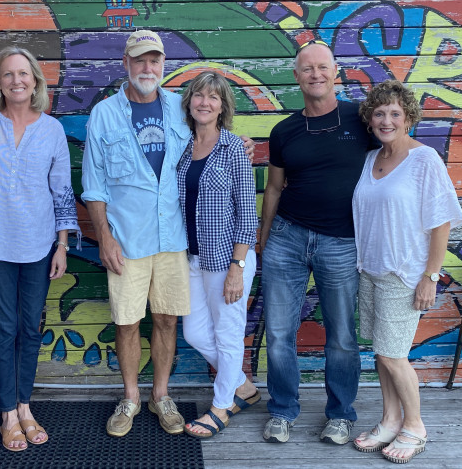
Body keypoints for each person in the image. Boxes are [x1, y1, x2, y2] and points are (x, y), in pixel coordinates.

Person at [81, 30, 253, 438]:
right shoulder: (103, 114)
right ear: (125, 64)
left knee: (168, 322)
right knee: (125, 323)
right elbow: (93, 185)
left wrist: (238, 144)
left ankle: (161, 395)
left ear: (163, 66)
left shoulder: (181, 107)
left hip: (175, 242)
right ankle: (130, 398)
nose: (147, 68)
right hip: (127, 240)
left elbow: (214, 141)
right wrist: (104, 238)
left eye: (154, 61)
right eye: (139, 60)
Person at [259, 39, 377, 445]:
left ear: (335, 72)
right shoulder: (284, 130)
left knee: (342, 335)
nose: (315, 74)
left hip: (342, 242)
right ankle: (282, 410)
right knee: (278, 332)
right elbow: (274, 188)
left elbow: (395, 160)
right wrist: (263, 237)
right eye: (307, 68)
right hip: (287, 239)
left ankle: (341, 414)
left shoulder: (361, 121)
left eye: (322, 67)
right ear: (296, 76)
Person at [0, 46, 80, 451]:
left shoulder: (50, 129)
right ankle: (7, 414)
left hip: (38, 245)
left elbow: (62, 190)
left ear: (35, 81)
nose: (17, 80)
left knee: (30, 329)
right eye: (8, 74)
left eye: (24, 73)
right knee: (3, 329)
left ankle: (25, 405)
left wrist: (63, 244)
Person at [351, 80, 462, 463]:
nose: (386, 120)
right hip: (371, 270)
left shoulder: (424, 159)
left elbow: (442, 222)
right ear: (370, 119)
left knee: (395, 355)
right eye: (379, 113)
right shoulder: (370, 160)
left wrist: (430, 276)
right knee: (382, 353)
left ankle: (414, 426)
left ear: (408, 118)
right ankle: (389, 419)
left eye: (395, 114)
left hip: (405, 274)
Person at [177, 72, 260, 438]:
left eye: (213, 97)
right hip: (192, 259)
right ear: (189, 102)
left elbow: (248, 214)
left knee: (228, 335)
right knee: (195, 333)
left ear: (223, 106)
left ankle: (221, 406)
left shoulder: (233, 150)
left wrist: (237, 268)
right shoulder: (183, 146)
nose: (205, 102)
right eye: (198, 96)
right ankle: (243, 385)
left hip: (228, 259)